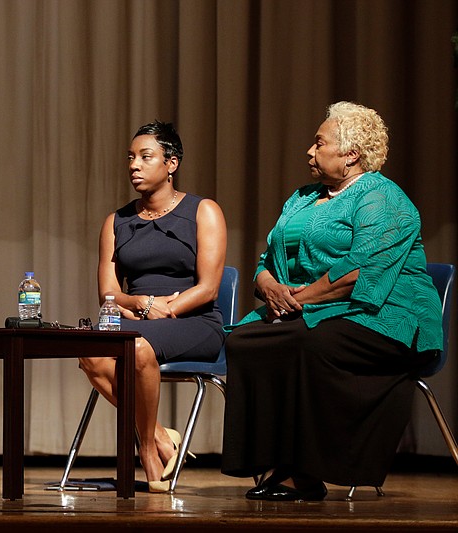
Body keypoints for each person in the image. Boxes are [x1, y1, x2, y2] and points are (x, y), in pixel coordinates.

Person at [220, 102, 443, 501]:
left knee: (310, 341)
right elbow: (267, 259)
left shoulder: (383, 198)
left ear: (351, 153)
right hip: (317, 310)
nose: (309, 150)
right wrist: (269, 285)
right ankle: (273, 461)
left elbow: (358, 273)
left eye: (319, 142)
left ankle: (304, 471)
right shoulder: (303, 198)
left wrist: (297, 302)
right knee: (243, 339)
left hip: (385, 317)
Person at [79, 121, 227, 492]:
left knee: (135, 346)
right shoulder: (116, 221)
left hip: (195, 321)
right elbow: (108, 294)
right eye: (131, 157)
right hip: (139, 319)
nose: (134, 165)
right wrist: (144, 305)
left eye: (146, 157)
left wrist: (167, 309)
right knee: (90, 353)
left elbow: (209, 288)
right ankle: (161, 437)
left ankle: (145, 451)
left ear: (171, 164)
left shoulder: (203, 210)